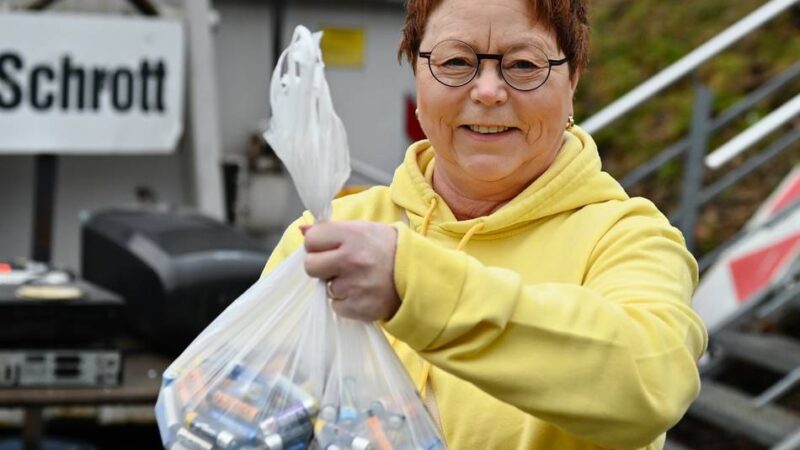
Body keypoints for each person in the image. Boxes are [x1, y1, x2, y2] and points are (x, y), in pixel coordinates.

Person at [263, 0, 708, 448]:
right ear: (417, 73)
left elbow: (652, 382)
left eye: (524, 65)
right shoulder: (334, 231)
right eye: (456, 62)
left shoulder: (628, 237)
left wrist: (414, 287)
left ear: (572, 79)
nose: (489, 91)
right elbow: (251, 402)